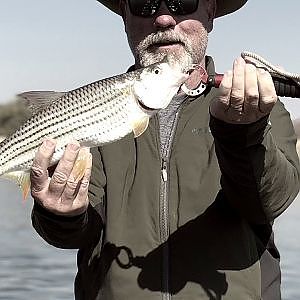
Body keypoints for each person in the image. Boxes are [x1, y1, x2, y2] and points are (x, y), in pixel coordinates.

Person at [30, 0, 300, 299]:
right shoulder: (88, 113)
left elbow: (269, 203)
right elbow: (75, 234)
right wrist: (59, 214)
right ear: (125, 17)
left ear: (209, 13)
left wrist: (243, 132)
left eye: (182, 2)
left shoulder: (259, 107)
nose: (163, 18)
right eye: (143, 5)